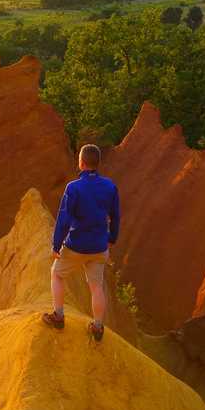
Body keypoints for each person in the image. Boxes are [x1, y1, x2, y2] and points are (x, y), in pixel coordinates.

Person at [42, 143, 120, 341]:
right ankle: (98, 327)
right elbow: (116, 216)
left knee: (57, 274)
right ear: (98, 163)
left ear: (81, 163)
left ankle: (58, 316)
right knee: (96, 286)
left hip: (76, 244)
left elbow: (64, 219)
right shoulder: (110, 187)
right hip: (99, 246)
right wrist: (112, 238)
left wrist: (56, 244)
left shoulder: (73, 188)